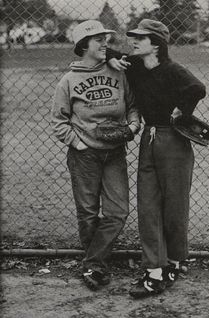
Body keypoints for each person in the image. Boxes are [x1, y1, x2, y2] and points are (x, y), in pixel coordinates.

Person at [107, 19, 206, 298]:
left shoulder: (173, 70)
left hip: (174, 141)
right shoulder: (135, 65)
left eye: (141, 38)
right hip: (149, 138)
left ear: (156, 45)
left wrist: (181, 110)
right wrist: (114, 61)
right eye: (133, 36)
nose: (134, 41)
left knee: (175, 205)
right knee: (148, 206)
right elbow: (107, 53)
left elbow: (197, 88)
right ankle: (154, 270)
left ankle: (174, 262)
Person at [51, 20, 140, 291]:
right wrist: (79, 145)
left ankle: (92, 261)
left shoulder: (119, 73)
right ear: (83, 45)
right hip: (84, 155)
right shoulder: (68, 81)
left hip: (114, 153)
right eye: (98, 39)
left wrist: (133, 126)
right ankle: (95, 265)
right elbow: (59, 122)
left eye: (105, 39)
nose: (105, 43)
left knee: (118, 211)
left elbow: (133, 106)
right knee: (88, 213)